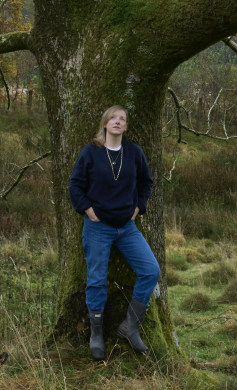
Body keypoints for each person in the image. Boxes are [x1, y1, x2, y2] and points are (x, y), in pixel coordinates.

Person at [68, 105, 160, 361]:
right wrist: (87, 209)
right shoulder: (91, 152)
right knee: (96, 279)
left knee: (151, 270)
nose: (117, 122)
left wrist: (138, 207)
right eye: (113, 118)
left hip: (127, 227)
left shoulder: (134, 153)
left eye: (122, 119)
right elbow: (75, 184)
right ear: (105, 123)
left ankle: (130, 326)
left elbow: (146, 182)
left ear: (126, 126)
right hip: (98, 227)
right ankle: (96, 334)